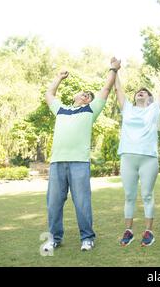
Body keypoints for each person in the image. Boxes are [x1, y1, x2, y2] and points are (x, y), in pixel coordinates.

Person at [42, 57, 121, 252]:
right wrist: (59, 77)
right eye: (84, 93)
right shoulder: (61, 110)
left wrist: (113, 68)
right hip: (57, 163)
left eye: (88, 95)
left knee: (82, 203)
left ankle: (87, 238)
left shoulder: (90, 111)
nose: (85, 96)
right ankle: (54, 239)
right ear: (76, 96)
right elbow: (49, 93)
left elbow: (105, 90)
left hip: (79, 163)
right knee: (53, 204)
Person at [114, 60, 160, 247]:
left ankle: (148, 231)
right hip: (128, 157)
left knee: (147, 194)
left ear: (150, 98)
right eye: (139, 92)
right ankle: (128, 231)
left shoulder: (154, 109)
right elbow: (118, 90)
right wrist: (115, 69)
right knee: (129, 195)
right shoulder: (127, 109)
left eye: (145, 92)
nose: (141, 92)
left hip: (148, 158)